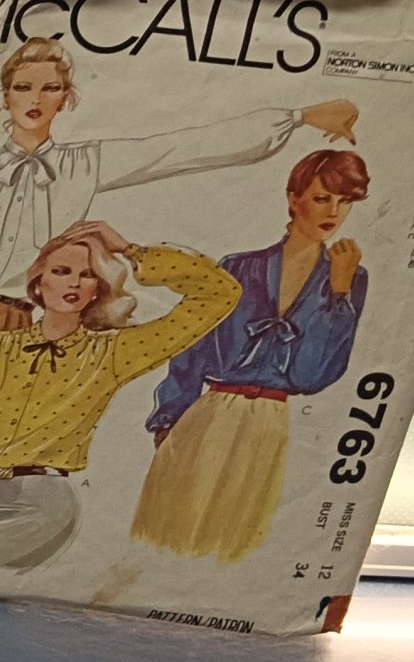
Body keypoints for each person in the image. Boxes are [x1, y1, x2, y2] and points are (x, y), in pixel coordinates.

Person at [0, 37, 356, 487]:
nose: (35, 99)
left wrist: (300, 117)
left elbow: (184, 147)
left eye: (50, 88)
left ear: (66, 97)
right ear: (5, 94)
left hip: (18, 324)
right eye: (23, 87)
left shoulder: (83, 164)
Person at [0, 223, 241, 584]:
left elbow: (219, 294)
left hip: (44, 506)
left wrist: (130, 251)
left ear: (97, 289)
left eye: (87, 275)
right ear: (38, 283)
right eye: (61, 271)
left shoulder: (111, 353)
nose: (74, 283)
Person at [131, 151, 371, 561]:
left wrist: (340, 292)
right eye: (322, 198)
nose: (334, 212)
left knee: (230, 541)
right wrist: (168, 420)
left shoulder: (348, 280)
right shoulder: (239, 268)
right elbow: (192, 348)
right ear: (293, 198)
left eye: (344, 202)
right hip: (208, 415)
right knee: (167, 532)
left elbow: (312, 375)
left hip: (268, 424)